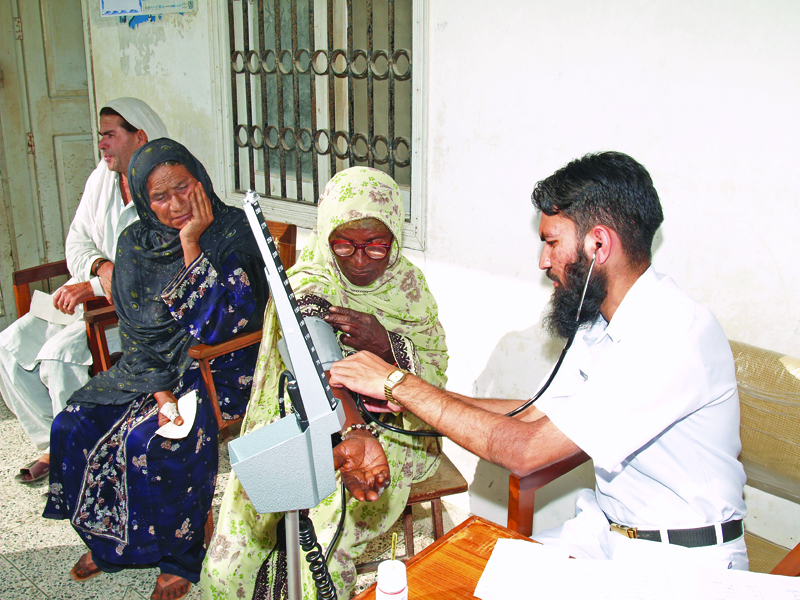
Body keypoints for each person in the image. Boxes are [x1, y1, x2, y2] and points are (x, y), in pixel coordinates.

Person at [330, 152, 749, 570]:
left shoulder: (670, 335)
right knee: (469, 574)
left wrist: (397, 383)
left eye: (551, 242)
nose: (543, 261)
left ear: (598, 244)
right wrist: (416, 397)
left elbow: (527, 450)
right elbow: (532, 415)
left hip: (679, 560)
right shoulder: (599, 318)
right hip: (605, 535)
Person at [202, 166, 449, 599]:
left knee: (324, 542)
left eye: (375, 246)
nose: (357, 259)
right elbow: (313, 354)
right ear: (324, 234)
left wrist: (386, 344)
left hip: (395, 431)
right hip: (305, 415)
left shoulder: (409, 286)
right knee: (236, 551)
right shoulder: (311, 276)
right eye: (344, 244)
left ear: (394, 236)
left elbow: (435, 371)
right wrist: (350, 428)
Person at [43, 139, 270, 600]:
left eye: (183, 187)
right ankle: (110, 544)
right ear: (145, 201)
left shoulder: (233, 233)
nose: (176, 205)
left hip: (221, 368)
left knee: (151, 440)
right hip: (151, 368)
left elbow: (223, 326)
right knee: (74, 422)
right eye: (160, 197)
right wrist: (160, 392)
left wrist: (191, 246)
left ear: (199, 179)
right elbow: (135, 328)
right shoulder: (133, 242)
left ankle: (179, 558)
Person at [0, 97, 168, 483]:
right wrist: (97, 267)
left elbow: (159, 266)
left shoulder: (162, 187)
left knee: (60, 356)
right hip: (89, 302)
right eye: (100, 135)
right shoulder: (101, 179)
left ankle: (85, 457)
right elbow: (76, 243)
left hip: (134, 314)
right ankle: (52, 442)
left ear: (139, 137)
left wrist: (94, 284)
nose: (102, 144)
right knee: (9, 345)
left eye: (110, 135)